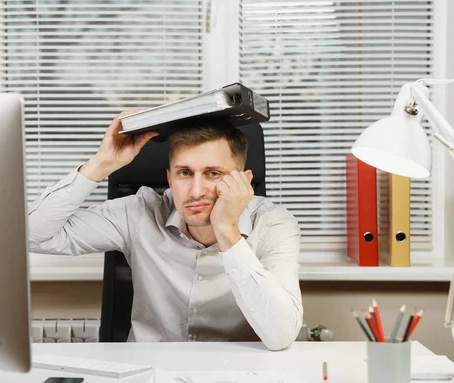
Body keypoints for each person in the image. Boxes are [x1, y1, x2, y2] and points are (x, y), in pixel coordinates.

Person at [28, 109, 303, 350]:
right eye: (185, 173)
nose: (196, 191)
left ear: (244, 181)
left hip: (236, 380)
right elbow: (28, 236)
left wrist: (227, 231)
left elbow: (280, 335)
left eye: (213, 174)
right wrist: (100, 165)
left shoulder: (273, 224)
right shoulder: (139, 212)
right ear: (170, 178)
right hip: (149, 374)